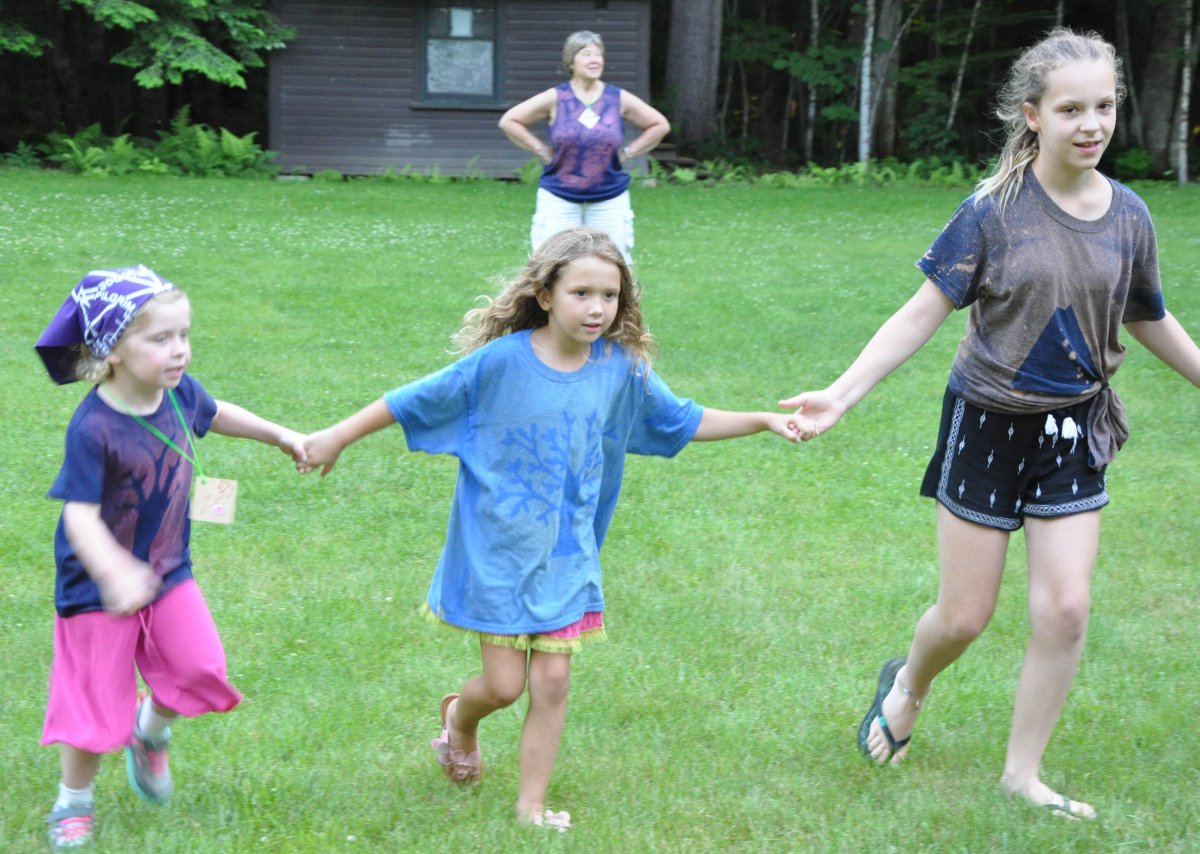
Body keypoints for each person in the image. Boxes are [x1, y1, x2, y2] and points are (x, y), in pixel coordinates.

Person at [779, 28, 1200, 820]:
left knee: (1066, 606)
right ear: (1032, 115)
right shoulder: (993, 213)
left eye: (1104, 106)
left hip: (1075, 430)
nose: (1092, 123)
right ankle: (908, 683)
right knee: (965, 615)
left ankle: (1022, 773)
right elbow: (920, 313)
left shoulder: (1132, 215)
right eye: (1071, 108)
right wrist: (842, 393)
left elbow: (1148, 316)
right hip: (987, 425)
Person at [301, 227, 815, 830]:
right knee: (501, 688)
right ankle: (459, 723)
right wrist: (336, 435)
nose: (597, 308)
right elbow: (411, 402)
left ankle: (530, 809)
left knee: (551, 683)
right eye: (581, 293)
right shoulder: (499, 363)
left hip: (569, 555)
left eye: (609, 295)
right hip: (497, 551)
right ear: (545, 295)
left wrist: (761, 421)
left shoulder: (620, 370)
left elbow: (681, 420)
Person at [34, 266, 308, 850]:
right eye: (160, 339)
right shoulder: (94, 427)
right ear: (112, 351)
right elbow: (78, 515)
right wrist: (114, 570)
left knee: (199, 666)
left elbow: (216, 412)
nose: (178, 349)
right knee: (93, 706)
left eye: (183, 334)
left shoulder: (178, 392)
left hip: (167, 571)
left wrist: (280, 435)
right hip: (95, 590)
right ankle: (73, 802)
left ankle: (149, 734)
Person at [498, 30, 670, 263]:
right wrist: (542, 151)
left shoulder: (617, 98)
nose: (595, 59)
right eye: (587, 53)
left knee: (614, 266)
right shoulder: (556, 97)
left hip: (609, 198)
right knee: (550, 265)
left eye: (599, 54)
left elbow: (659, 125)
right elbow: (510, 121)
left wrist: (628, 153)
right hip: (559, 196)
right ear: (571, 61)